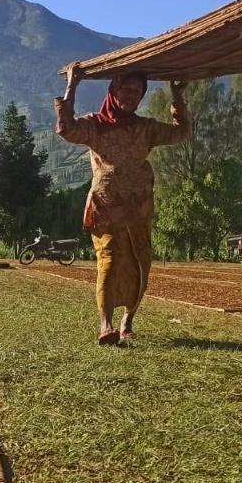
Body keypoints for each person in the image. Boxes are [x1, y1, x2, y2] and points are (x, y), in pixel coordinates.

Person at [56, 65, 192, 345]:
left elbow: (181, 133)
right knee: (109, 261)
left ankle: (127, 321)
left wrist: (177, 96)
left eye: (137, 92)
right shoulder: (95, 125)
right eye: (126, 90)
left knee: (141, 263)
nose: (130, 96)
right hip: (106, 208)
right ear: (114, 91)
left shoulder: (146, 128)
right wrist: (72, 85)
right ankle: (105, 324)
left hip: (138, 209)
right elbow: (66, 129)